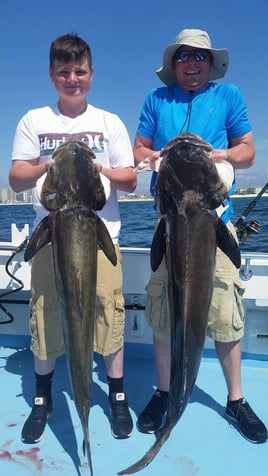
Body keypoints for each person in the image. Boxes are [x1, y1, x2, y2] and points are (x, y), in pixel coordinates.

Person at [134, 28, 267, 444]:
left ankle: (236, 399)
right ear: (173, 64)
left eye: (200, 57)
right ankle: (164, 390)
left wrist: (223, 154)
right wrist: (152, 158)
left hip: (214, 218)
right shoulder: (157, 100)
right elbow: (139, 150)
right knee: (162, 306)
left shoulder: (228, 97)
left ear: (210, 63)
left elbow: (247, 149)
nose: (192, 64)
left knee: (225, 309)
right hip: (170, 220)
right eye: (184, 56)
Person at [9, 33, 137, 443]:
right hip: (53, 237)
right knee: (46, 315)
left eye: (79, 71)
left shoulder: (109, 122)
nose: (72, 78)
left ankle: (116, 393)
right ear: (51, 75)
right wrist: (47, 161)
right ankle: (43, 398)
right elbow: (16, 176)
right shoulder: (33, 119)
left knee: (107, 312)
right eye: (63, 71)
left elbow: (130, 180)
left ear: (91, 74)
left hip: (101, 235)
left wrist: (99, 167)